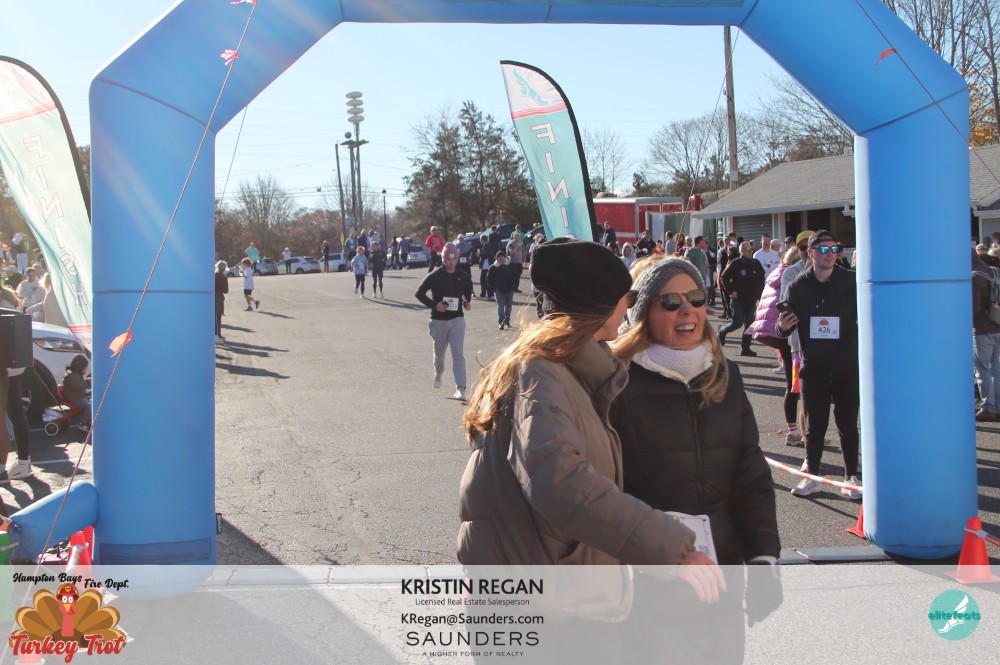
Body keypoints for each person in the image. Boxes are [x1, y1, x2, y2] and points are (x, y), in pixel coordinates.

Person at [457, 240, 721, 658]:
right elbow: (562, 482)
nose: (629, 305)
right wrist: (672, 549)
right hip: (541, 614)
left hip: (554, 598)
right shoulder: (541, 373)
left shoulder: (563, 368)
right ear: (600, 305)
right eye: (626, 296)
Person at [611, 257, 782, 660]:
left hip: (724, 574)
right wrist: (662, 551)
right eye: (670, 302)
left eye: (696, 298)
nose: (687, 310)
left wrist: (764, 558)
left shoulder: (726, 374)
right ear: (643, 314)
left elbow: (750, 473)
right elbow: (603, 491)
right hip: (652, 580)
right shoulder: (616, 382)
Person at [776, 230, 861, 499]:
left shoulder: (852, 281)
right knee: (815, 426)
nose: (830, 254)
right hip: (813, 365)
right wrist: (782, 327)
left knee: (848, 422)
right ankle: (812, 476)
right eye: (824, 249)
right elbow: (782, 327)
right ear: (811, 253)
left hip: (847, 363)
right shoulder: (797, 286)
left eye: (834, 249)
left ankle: (851, 476)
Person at [747, 246, 803, 445]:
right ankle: (797, 432)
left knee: (793, 382)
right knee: (796, 384)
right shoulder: (793, 276)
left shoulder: (776, 274)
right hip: (788, 334)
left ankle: (794, 431)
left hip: (772, 332)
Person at [415, 242, 473, 400]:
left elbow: (467, 291)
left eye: (454, 259)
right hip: (438, 321)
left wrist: (466, 302)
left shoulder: (463, 275)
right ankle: (439, 373)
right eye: (448, 259)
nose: (451, 262)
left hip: (457, 319)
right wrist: (435, 305)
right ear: (443, 259)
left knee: (458, 354)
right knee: (439, 356)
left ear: (457, 259)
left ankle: (460, 388)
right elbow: (419, 293)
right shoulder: (435, 275)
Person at [1, 285, 32, 480]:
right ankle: (23, 463)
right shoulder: (9, 301)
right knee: (15, 414)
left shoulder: (4, 306)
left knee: (12, 415)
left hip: (6, 368)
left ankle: (19, 464)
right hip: (14, 366)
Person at [719, 242, 766, 357]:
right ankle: (722, 331)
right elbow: (724, 277)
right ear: (741, 251)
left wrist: (760, 293)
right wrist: (731, 291)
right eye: (747, 250)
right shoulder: (735, 263)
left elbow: (761, 278)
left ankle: (745, 348)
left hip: (752, 300)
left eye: (751, 249)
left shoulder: (756, 263)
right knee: (737, 323)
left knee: (750, 325)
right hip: (738, 300)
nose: (750, 252)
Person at [973, 248, 1000, 421]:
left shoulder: (975, 277)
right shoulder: (995, 272)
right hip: (997, 325)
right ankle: (997, 405)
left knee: (983, 370)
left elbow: (974, 309)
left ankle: (989, 407)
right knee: (996, 369)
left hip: (982, 330)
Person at [486, 250, 516, 330]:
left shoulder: (510, 266)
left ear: (505, 257)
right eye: (499, 257)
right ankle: (501, 322)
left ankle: (507, 321)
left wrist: (514, 286)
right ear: (496, 258)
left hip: (509, 290)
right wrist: (494, 289)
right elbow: (489, 280)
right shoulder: (493, 267)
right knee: (500, 307)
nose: (501, 259)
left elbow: (515, 276)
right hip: (499, 291)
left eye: (502, 257)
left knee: (509, 308)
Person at [62, 354, 92, 429]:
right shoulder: (73, 375)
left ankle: (89, 420)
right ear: (80, 367)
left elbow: (78, 382)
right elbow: (77, 386)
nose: (85, 370)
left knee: (91, 399)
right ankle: (83, 423)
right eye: (85, 368)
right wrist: (88, 383)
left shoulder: (74, 373)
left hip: (75, 395)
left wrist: (87, 380)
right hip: (74, 398)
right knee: (90, 406)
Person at [214, 260, 229, 342]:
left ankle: (214, 333)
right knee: (218, 317)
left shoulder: (213, 276)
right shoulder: (223, 277)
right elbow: (225, 290)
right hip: (219, 298)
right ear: (224, 268)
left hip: (211, 297)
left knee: (212, 316)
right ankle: (218, 334)